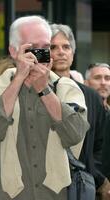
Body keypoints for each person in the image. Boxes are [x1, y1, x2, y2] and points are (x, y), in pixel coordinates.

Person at [0, 15, 89, 200]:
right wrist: (19, 79)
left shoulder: (66, 88)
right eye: (32, 48)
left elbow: (76, 132)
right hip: (5, 195)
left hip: (53, 195)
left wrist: (44, 89)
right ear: (13, 50)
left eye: (45, 47)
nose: (40, 54)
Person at [50, 23, 110, 200]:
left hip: (82, 184)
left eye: (66, 47)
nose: (61, 52)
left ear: (73, 52)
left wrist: (93, 174)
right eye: (53, 47)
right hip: (43, 183)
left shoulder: (91, 96)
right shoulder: (35, 91)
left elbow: (100, 144)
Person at [85, 63, 110, 199]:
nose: (103, 83)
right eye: (97, 78)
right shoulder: (82, 115)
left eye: (107, 78)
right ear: (86, 83)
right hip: (90, 186)